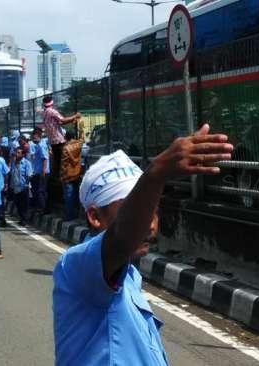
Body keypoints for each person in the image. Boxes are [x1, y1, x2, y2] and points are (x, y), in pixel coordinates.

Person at [52, 124, 233, 366]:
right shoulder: (75, 266)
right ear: (95, 217)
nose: (150, 225)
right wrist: (156, 172)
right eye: (136, 212)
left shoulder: (130, 276)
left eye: (153, 210)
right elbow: (121, 237)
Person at [41, 95, 81, 178]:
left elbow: (60, 122)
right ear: (52, 102)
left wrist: (71, 119)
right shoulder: (52, 111)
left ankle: (58, 180)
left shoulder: (44, 113)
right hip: (59, 141)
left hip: (53, 142)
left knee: (57, 163)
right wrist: (75, 116)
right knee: (63, 162)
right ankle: (65, 178)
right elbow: (62, 120)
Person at [60, 131, 83, 221]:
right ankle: (76, 214)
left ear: (66, 137)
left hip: (67, 175)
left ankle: (69, 216)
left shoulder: (65, 148)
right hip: (77, 174)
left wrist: (61, 176)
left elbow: (63, 164)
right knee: (76, 194)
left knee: (68, 196)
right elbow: (82, 138)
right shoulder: (79, 144)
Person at [28, 127, 49, 221]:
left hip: (41, 172)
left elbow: (45, 159)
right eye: (33, 136)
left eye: (35, 136)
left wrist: (43, 171)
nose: (33, 138)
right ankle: (41, 208)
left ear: (39, 136)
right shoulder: (38, 145)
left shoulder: (41, 145)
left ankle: (42, 209)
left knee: (40, 191)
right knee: (38, 191)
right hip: (37, 172)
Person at [10, 146, 33, 225]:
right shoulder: (14, 163)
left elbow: (29, 175)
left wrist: (27, 185)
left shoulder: (27, 163)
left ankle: (24, 220)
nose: (16, 154)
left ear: (23, 154)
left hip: (24, 187)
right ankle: (21, 218)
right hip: (16, 187)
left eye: (19, 153)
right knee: (18, 204)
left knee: (24, 205)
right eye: (16, 152)